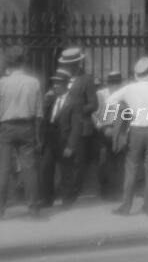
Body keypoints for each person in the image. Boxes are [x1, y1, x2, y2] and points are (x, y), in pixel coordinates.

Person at [106, 57, 148, 216]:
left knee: (131, 168)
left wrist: (126, 109)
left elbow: (110, 101)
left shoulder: (130, 89)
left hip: (135, 130)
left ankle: (126, 206)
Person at [0, 45, 43, 220]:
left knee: (3, 170)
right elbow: (38, 113)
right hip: (27, 127)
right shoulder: (34, 82)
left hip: (5, 128)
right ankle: (34, 209)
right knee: (29, 169)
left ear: (8, 63)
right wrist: (37, 135)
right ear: (23, 62)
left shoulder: (1, 83)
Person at [57, 47, 98, 199]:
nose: (68, 67)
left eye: (71, 64)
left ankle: (73, 191)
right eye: (66, 65)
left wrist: (77, 110)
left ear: (77, 64)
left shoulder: (86, 79)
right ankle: (64, 189)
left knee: (78, 161)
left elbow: (94, 104)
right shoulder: (59, 78)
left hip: (80, 126)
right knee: (63, 161)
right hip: (61, 128)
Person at [39, 70, 83, 208]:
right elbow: (44, 119)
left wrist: (71, 145)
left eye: (59, 83)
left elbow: (76, 126)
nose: (55, 86)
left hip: (64, 139)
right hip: (50, 139)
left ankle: (67, 200)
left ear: (65, 85)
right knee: (46, 169)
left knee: (66, 171)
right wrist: (46, 102)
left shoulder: (74, 101)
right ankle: (47, 199)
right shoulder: (52, 100)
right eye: (54, 83)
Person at [93, 71, 124, 199]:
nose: (115, 85)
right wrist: (101, 127)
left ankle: (117, 191)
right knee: (105, 160)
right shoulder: (100, 94)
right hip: (105, 129)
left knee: (120, 161)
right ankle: (105, 190)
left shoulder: (125, 94)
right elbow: (94, 113)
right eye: (112, 82)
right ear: (108, 82)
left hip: (121, 128)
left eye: (117, 82)